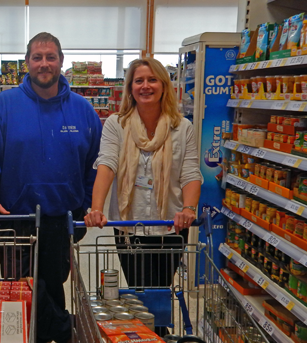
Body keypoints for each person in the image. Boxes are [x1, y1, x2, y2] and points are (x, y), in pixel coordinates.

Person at [0, 32, 102, 343]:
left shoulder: (83, 110)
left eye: (50, 57)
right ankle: (67, 332)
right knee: (24, 292)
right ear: (27, 62)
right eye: (37, 57)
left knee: (53, 288)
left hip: (62, 220)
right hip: (16, 220)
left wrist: (86, 205)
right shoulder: (4, 106)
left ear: (61, 62)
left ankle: (57, 333)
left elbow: (96, 164)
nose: (44, 63)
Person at [83, 58, 202, 333]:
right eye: (138, 81)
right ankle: (148, 333)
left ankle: (157, 332)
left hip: (171, 225)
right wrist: (96, 208)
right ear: (130, 88)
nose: (145, 86)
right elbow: (107, 164)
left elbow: (191, 173)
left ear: (163, 85)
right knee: (138, 289)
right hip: (129, 225)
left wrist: (189, 208)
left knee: (160, 289)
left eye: (152, 80)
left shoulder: (181, 127)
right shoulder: (117, 124)